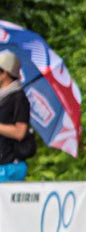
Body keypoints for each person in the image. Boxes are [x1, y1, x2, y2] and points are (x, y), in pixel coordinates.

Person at [0, 50, 32, 183]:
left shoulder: (19, 98)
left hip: (11, 166)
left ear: (5, 73)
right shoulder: (2, 97)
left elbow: (20, 132)